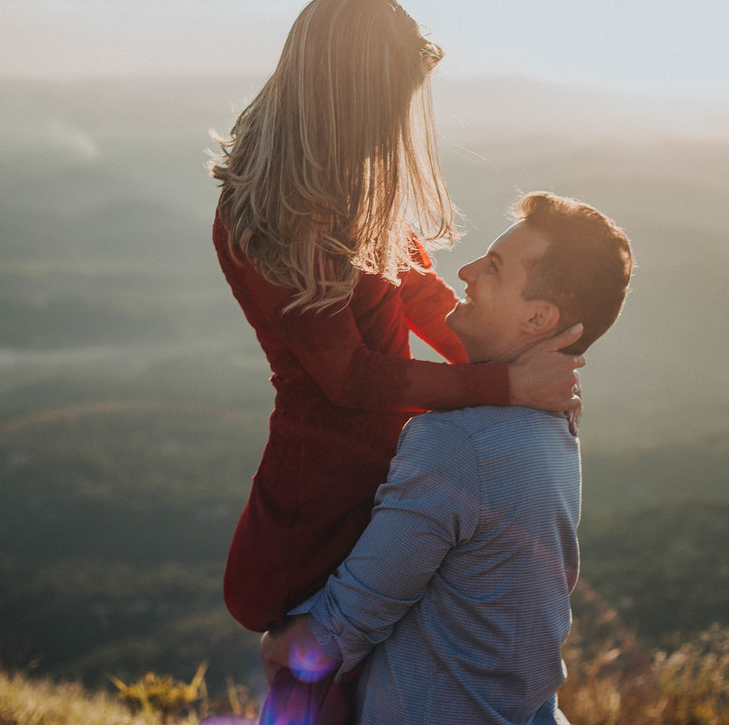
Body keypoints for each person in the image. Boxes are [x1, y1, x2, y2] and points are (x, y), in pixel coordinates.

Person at [208, 0, 583, 719]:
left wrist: (514, 358)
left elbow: (417, 295)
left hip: (382, 479)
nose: (396, 124)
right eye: (388, 102)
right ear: (347, 94)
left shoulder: (348, 183)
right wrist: (505, 388)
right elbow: (347, 377)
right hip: (320, 500)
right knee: (323, 696)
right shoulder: (277, 211)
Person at [261, 192, 634, 724]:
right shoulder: (555, 425)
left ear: (537, 317)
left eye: (494, 269)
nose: (467, 270)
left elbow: (350, 618)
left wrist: (283, 648)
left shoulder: (459, 443)